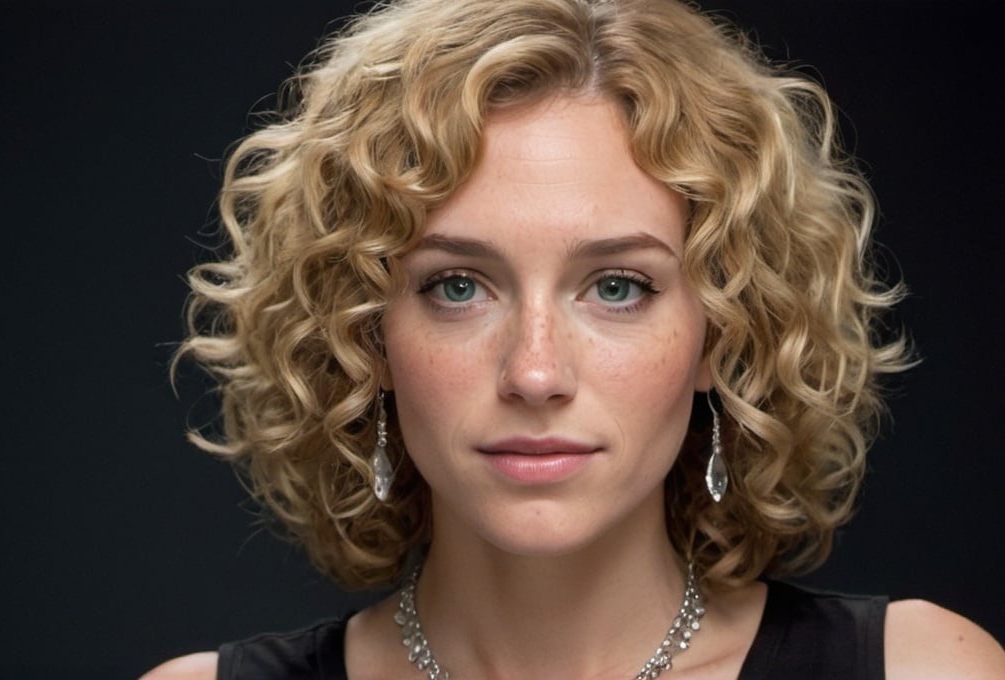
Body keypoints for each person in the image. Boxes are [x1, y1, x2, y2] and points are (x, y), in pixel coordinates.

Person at [144, 0, 1005, 677]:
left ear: (722, 331)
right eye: (457, 287)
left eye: (618, 287)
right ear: (365, 335)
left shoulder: (926, 670)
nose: (536, 372)